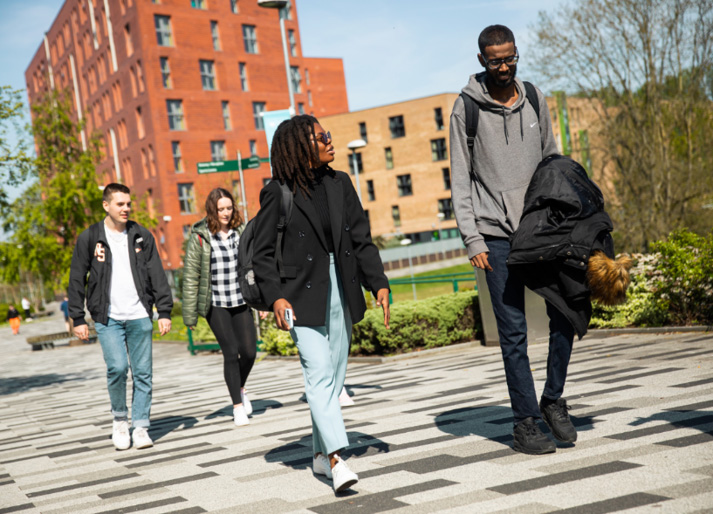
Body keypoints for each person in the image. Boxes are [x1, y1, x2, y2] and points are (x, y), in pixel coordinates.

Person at [450, 25, 576, 455]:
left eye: (510, 58)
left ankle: (553, 398)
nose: (503, 67)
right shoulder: (466, 109)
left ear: (516, 54)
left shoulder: (534, 98)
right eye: (494, 61)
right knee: (514, 333)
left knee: (567, 313)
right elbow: (460, 181)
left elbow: (553, 163)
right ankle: (525, 422)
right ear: (481, 60)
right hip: (495, 236)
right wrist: (473, 240)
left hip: (541, 229)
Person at [253, 115, 390, 493]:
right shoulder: (278, 192)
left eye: (326, 135)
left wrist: (377, 283)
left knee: (333, 378)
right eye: (320, 137)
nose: (329, 141)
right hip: (299, 295)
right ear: (300, 147)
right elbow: (263, 254)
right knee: (318, 374)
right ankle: (336, 459)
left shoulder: (340, 182)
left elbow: (361, 238)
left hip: (341, 287)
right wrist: (275, 296)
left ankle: (317, 454)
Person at [68, 183, 173, 451]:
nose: (126, 208)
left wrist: (164, 311)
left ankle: (140, 426)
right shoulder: (90, 238)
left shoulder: (141, 235)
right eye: (120, 204)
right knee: (117, 368)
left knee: (143, 373)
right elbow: (77, 279)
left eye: (128, 203)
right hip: (108, 316)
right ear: (106, 205)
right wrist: (78, 318)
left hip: (139, 314)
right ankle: (119, 420)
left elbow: (156, 274)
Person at [182, 188, 257, 427]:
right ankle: (237, 406)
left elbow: (252, 268)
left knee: (249, 352)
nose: (225, 213)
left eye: (228, 208)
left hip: (241, 299)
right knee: (230, 352)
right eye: (220, 209)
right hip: (216, 303)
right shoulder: (201, 236)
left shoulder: (241, 232)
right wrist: (190, 315)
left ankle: (240, 387)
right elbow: (191, 276)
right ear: (212, 211)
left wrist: (261, 299)